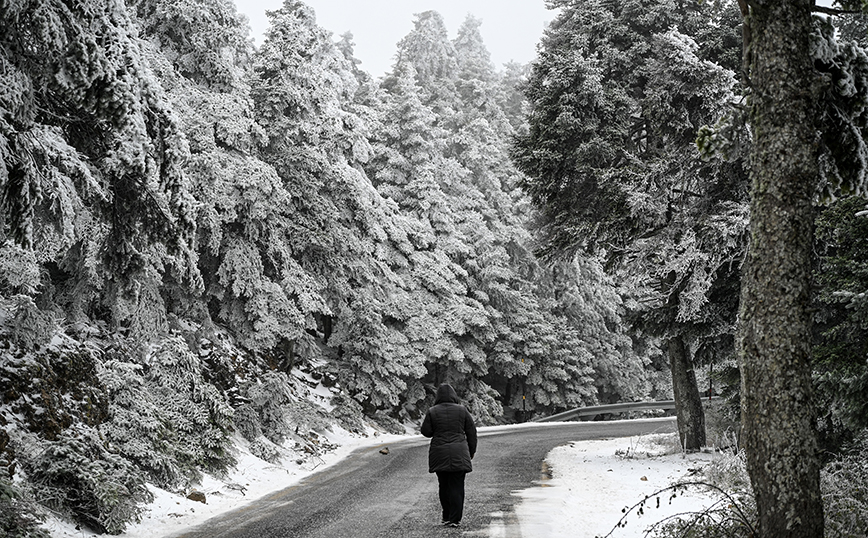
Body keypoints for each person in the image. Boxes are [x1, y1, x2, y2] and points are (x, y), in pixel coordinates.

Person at [420, 383, 478, 528]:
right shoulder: (462, 410)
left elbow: (426, 431)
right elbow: (472, 433)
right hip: (459, 452)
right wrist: (471, 451)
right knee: (457, 487)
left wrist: (437, 429)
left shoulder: (432, 411)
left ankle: (446, 516)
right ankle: (455, 519)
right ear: (454, 395)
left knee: (444, 486)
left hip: (439, 453)